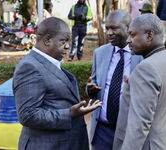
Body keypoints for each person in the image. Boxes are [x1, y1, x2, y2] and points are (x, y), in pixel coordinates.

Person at [13, 17, 102, 150]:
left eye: (68, 41)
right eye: (64, 41)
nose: (67, 46)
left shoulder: (49, 62)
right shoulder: (30, 67)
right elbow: (28, 115)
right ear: (47, 40)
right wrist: (69, 113)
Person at [113, 14, 166, 150]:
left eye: (132, 35)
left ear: (149, 35)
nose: (128, 40)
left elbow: (139, 125)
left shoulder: (146, 68)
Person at [86, 10, 143, 150]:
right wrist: (90, 90)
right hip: (102, 131)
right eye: (107, 28)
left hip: (130, 131)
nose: (109, 33)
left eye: (114, 28)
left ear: (128, 28)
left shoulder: (142, 55)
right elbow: (93, 84)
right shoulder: (100, 53)